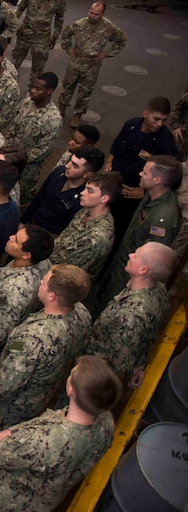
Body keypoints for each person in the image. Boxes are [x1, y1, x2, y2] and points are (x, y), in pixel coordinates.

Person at [0, 264, 92, 473]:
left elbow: (7, 383)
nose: (40, 282)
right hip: (43, 389)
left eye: (44, 282)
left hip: (16, 399)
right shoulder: (82, 314)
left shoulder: (33, 337)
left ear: (51, 295)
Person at [0, 355, 121, 512]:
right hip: (45, 502)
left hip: (10, 501)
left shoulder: (43, 439)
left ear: (71, 390)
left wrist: (8, 433)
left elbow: (1, 451)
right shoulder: (107, 424)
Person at [92, 155, 182, 314]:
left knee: (107, 310)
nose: (140, 174)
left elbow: (152, 262)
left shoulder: (163, 219)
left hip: (128, 276)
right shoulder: (151, 196)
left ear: (157, 180)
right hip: (119, 262)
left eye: (145, 172)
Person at [0, 225, 54, 385]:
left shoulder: (14, 292)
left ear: (26, 255)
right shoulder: (42, 262)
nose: (10, 238)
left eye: (15, 241)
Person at [86, 242, 174, 391]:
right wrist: (140, 364)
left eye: (136, 255)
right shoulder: (159, 290)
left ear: (142, 269)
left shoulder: (128, 317)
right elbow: (148, 336)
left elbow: (118, 366)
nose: (130, 255)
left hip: (94, 377)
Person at [104, 97, 178, 240]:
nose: (159, 124)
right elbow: (118, 142)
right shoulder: (131, 124)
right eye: (156, 119)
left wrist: (144, 192)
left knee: (116, 231)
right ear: (145, 113)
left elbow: (170, 175)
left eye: (164, 120)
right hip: (114, 181)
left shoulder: (165, 142)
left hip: (131, 194)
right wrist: (109, 160)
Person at [59, 2, 127, 128]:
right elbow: (66, 35)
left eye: (97, 14)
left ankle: (77, 115)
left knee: (85, 92)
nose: (93, 16)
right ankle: (61, 109)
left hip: (92, 66)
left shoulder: (109, 27)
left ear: (102, 14)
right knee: (67, 87)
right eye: (91, 12)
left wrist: (107, 53)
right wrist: (69, 49)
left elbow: (121, 40)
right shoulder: (79, 24)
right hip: (76, 62)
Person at [50, 171, 122, 277]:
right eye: (85, 188)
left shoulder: (97, 237)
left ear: (104, 198)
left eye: (90, 191)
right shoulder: (87, 210)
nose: (82, 193)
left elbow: (68, 273)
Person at [6, 73, 63, 202]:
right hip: (9, 162)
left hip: (27, 172)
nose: (32, 91)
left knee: (19, 201)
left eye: (38, 89)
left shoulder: (53, 119)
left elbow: (42, 151)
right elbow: (13, 128)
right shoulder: (26, 103)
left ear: (49, 91)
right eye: (33, 87)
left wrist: (16, 157)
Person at [22, 146, 104, 235]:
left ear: (86, 174)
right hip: (33, 222)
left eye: (75, 166)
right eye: (70, 161)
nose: (67, 166)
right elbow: (39, 197)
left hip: (50, 235)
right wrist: (23, 221)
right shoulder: (59, 172)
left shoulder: (84, 197)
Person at [13, 0, 67, 82]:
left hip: (42, 38)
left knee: (38, 68)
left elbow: (59, 18)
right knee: (15, 63)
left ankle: (33, 93)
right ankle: (11, 88)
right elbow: (18, 11)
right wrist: (10, 30)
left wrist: (55, 37)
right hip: (25, 35)